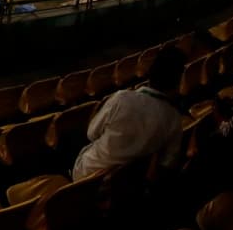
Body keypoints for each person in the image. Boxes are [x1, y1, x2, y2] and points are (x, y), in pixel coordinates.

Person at [72, 46, 186, 181]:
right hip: (128, 184)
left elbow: (91, 134)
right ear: (178, 81)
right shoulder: (174, 119)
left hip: (88, 176)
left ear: (150, 73)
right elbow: (168, 163)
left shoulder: (122, 98)